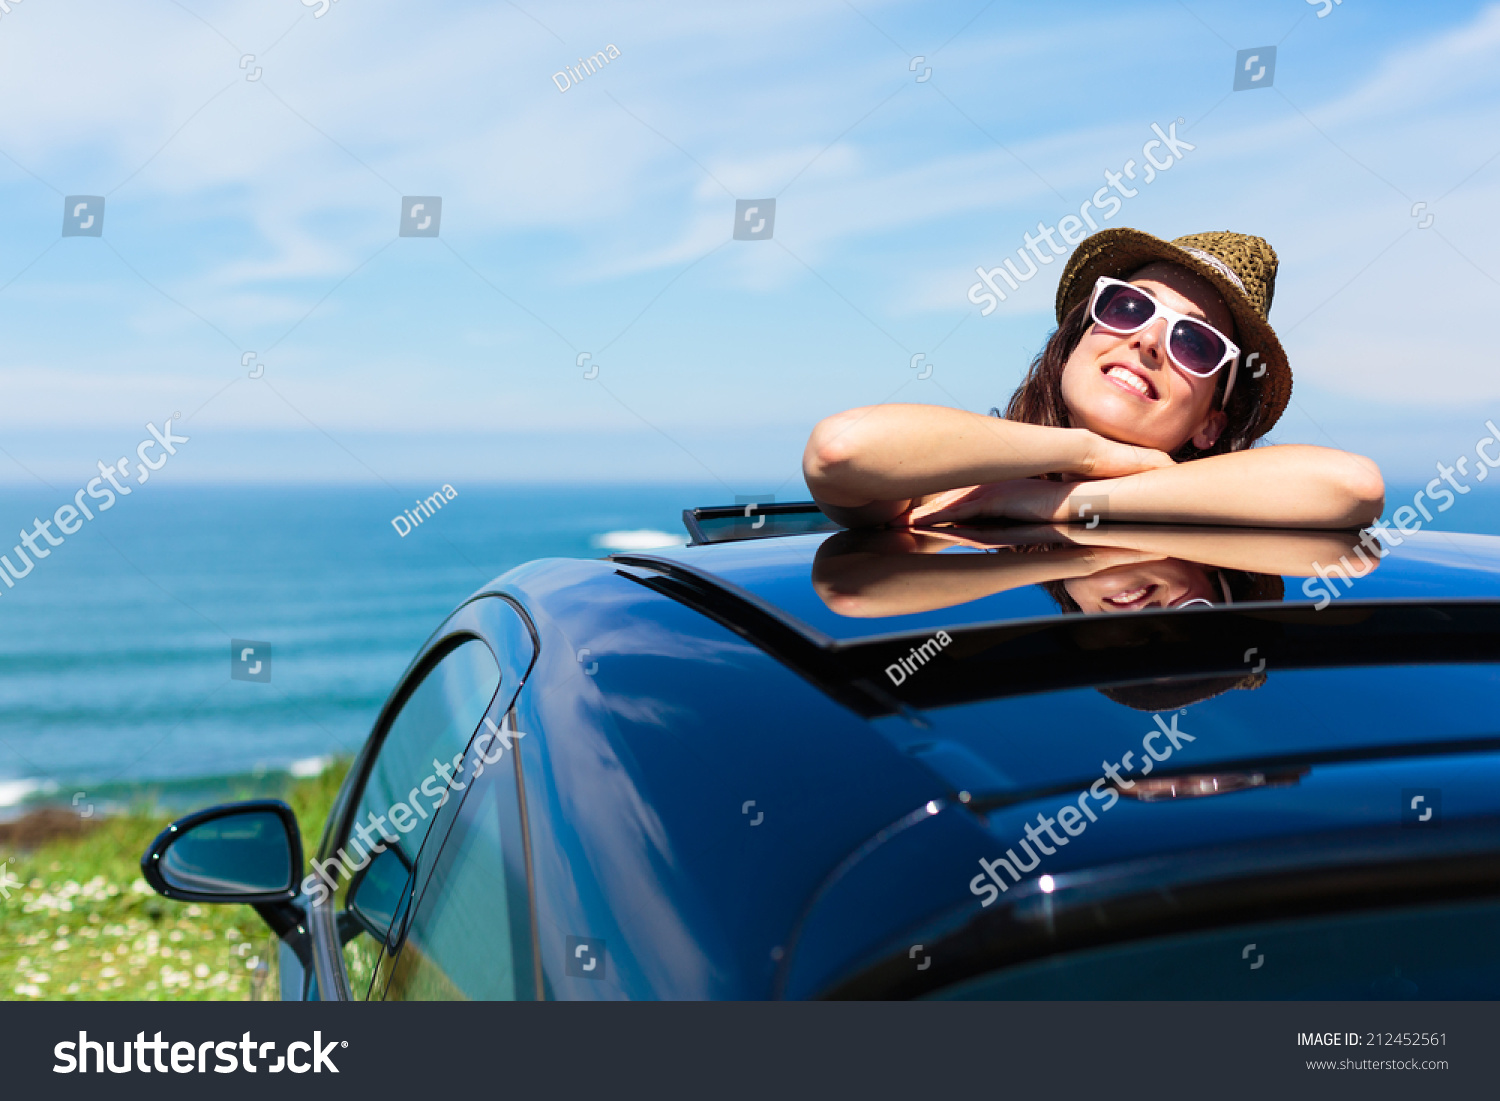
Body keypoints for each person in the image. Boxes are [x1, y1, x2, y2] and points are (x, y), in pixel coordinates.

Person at [802, 229, 1385, 531]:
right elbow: (841, 450)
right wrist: (1086, 453)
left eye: (1195, 341)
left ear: (1212, 424)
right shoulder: (948, 476)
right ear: (1077, 341)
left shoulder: (1238, 504)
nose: (1150, 340)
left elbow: (1352, 487)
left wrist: (1048, 502)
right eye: (1130, 307)